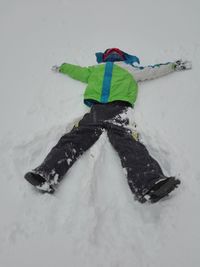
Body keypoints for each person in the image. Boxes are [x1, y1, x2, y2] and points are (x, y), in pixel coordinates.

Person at [24, 48, 192, 203]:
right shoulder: (120, 69)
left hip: (103, 110)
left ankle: (47, 174)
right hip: (113, 110)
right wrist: (173, 66)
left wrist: (63, 67)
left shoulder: (102, 69)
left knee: (78, 140)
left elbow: (78, 71)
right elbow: (152, 70)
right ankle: (149, 183)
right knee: (126, 143)